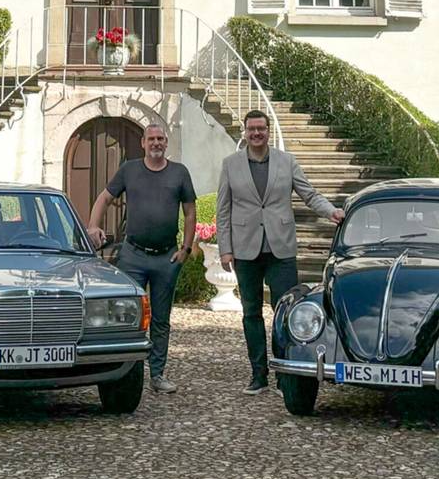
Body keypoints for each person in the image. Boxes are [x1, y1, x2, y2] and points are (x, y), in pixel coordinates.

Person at [214, 109, 344, 394]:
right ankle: (258, 374)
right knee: (251, 312)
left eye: (261, 128)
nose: (256, 134)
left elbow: (308, 194)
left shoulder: (287, 162)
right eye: (251, 129)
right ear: (245, 132)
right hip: (245, 249)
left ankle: (286, 374)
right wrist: (225, 249)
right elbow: (223, 210)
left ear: (268, 131)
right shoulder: (230, 165)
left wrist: (332, 212)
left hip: (280, 247)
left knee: (285, 311)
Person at [86, 120, 196, 394]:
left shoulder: (179, 173)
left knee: (161, 319)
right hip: (133, 256)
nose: (156, 143)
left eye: (160, 138)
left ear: (166, 143)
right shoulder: (129, 170)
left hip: (166, 258)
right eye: (152, 139)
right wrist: (93, 226)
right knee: (125, 316)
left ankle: (157, 375)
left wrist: (186, 249)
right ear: (143, 143)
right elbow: (104, 198)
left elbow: (191, 212)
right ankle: (123, 373)